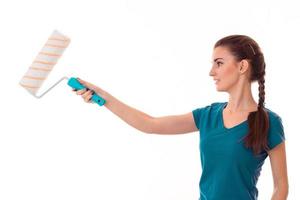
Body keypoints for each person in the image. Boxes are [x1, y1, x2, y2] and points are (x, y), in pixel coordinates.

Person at [72, 35, 288, 200]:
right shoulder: (208, 116)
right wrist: (103, 96)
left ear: (242, 66)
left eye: (219, 63)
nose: (211, 72)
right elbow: (149, 124)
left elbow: (281, 186)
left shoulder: (270, 123)